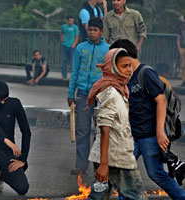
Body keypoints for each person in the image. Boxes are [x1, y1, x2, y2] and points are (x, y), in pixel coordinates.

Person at [110, 39, 185, 199]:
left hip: (150, 135)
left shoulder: (146, 73)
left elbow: (161, 101)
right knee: (124, 172)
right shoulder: (125, 76)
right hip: (132, 135)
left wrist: (160, 132)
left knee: (156, 173)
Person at [86, 48, 147, 199]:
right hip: (116, 160)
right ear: (112, 68)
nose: (129, 70)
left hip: (114, 157)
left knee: (98, 196)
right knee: (137, 196)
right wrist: (104, 164)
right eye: (124, 66)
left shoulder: (120, 89)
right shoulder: (110, 92)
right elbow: (105, 128)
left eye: (130, 66)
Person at [67, 17, 110, 175]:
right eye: (90, 30)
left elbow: (110, 74)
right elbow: (75, 72)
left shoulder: (108, 50)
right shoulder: (80, 48)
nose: (92, 33)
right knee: (82, 130)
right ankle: (81, 165)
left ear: (101, 32)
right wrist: (71, 93)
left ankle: (99, 165)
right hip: (83, 94)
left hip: (101, 95)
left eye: (95, 30)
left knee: (101, 131)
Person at [177, 17, 185, 86]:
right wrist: (179, 48)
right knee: (183, 65)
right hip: (182, 48)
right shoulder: (181, 28)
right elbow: (178, 38)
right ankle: (183, 80)